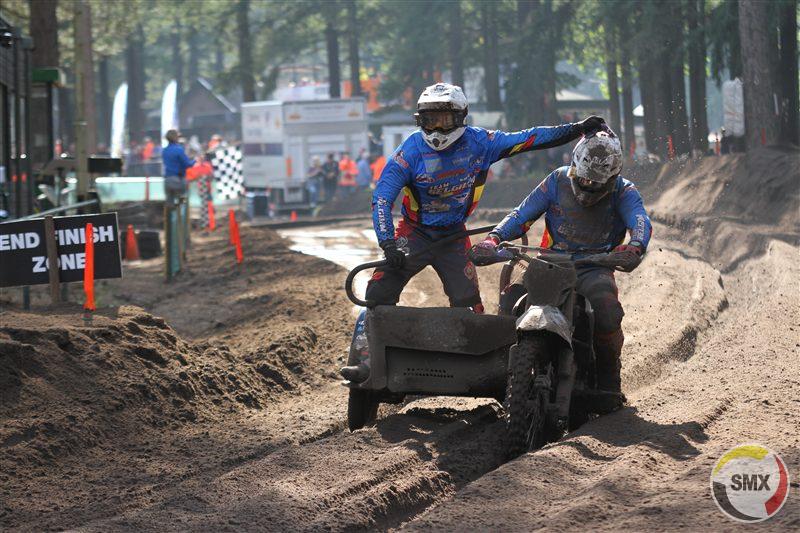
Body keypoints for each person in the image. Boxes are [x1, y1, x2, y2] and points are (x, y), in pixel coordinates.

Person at [340, 82, 607, 382]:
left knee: (469, 303)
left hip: (454, 237)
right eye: (430, 120)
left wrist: (577, 129)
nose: (437, 129)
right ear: (419, 120)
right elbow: (382, 198)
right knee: (377, 293)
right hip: (413, 234)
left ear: (461, 118)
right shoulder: (409, 152)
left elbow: (530, 138)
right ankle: (367, 359)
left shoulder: (481, 143)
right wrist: (388, 243)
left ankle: (481, 368)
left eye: (445, 120)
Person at [470, 129, 652, 394]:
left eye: (596, 183)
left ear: (612, 178)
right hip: (549, 262)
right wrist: (493, 239)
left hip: (595, 266)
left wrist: (635, 246)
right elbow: (521, 214)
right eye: (583, 179)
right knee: (511, 300)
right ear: (574, 166)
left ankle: (609, 379)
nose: (588, 186)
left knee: (607, 311)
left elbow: (640, 220)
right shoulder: (556, 180)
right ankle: (502, 373)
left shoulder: (625, 191)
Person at [162, 129, 196, 205]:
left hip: (167, 181)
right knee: (184, 198)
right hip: (178, 182)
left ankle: (170, 209)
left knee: (170, 203)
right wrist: (195, 160)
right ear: (176, 138)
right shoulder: (179, 150)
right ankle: (182, 208)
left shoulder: (164, 150)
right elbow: (187, 164)